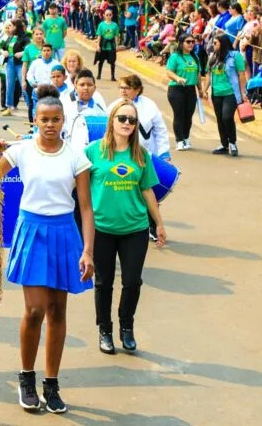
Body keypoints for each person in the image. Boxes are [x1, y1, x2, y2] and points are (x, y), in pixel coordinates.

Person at [0, 84, 95, 414]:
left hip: (64, 232)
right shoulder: (21, 150)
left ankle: (52, 383)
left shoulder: (76, 157)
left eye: (55, 119)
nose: (50, 125)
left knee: (57, 312)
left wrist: (88, 250)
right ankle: (26, 378)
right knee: (34, 310)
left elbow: (86, 208)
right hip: (31, 230)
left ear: (63, 120)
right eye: (44, 119)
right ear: (34, 120)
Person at [86, 100, 166, 355]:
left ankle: (126, 327)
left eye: (132, 120)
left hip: (135, 229)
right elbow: (79, 190)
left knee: (132, 282)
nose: (127, 124)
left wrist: (160, 224)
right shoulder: (92, 152)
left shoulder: (141, 155)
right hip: (102, 229)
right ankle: (105, 330)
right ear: (111, 120)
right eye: (122, 118)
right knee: (104, 282)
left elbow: (147, 190)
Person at [204, 35, 247, 157]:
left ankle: (232, 143)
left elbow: (241, 75)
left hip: (231, 93)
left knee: (227, 117)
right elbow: (208, 75)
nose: (214, 45)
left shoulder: (235, 56)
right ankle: (224, 144)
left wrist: (243, 92)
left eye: (216, 43)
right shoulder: (213, 57)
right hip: (216, 94)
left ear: (223, 43)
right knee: (219, 119)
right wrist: (204, 90)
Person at [165, 34, 203, 151]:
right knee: (179, 115)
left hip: (191, 89)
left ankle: (186, 138)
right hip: (176, 89)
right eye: (188, 42)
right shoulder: (175, 57)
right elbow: (169, 72)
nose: (191, 44)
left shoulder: (195, 57)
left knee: (188, 116)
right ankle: (179, 140)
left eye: (193, 42)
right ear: (181, 43)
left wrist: (200, 89)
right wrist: (177, 78)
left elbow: (198, 75)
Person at [95, 9, 119, 81]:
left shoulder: (115, 25)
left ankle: (112, 76)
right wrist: (98, 45)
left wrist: (116, 46)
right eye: (107, 15)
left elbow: (116, 36)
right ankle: (99, 74)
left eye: (110, 15)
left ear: (112, 15)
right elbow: (99, 36)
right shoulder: (101, 25)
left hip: (111, 45)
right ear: (104, 16)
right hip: (103, 45)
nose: (108, 16)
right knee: (101, 61)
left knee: (112, 62)